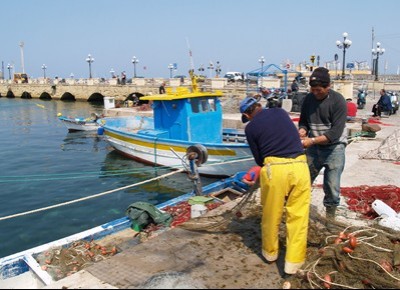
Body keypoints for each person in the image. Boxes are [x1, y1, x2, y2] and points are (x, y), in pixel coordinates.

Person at [239, 96, 311, 276]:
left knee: (272, 215)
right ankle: (293, 264)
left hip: (276, 171)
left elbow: (259, 160)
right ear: (259, 106)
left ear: (247, 115)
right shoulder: (280, 112)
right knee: (298, 218)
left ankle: (270, 254)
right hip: (301, 167)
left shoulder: (251, 128)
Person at [298, 67, 347, 223]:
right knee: (303, 180)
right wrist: (303, 130)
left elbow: (335, 133)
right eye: (313, 89)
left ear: (328, 86)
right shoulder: (308, 99)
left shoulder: (338, 101)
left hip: (334, 149)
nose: (315, 93)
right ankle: (299, 213)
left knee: (332, 186)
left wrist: (311, 141)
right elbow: (304, 120)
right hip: (314, 149)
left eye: (319, 90)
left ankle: (330, 218)